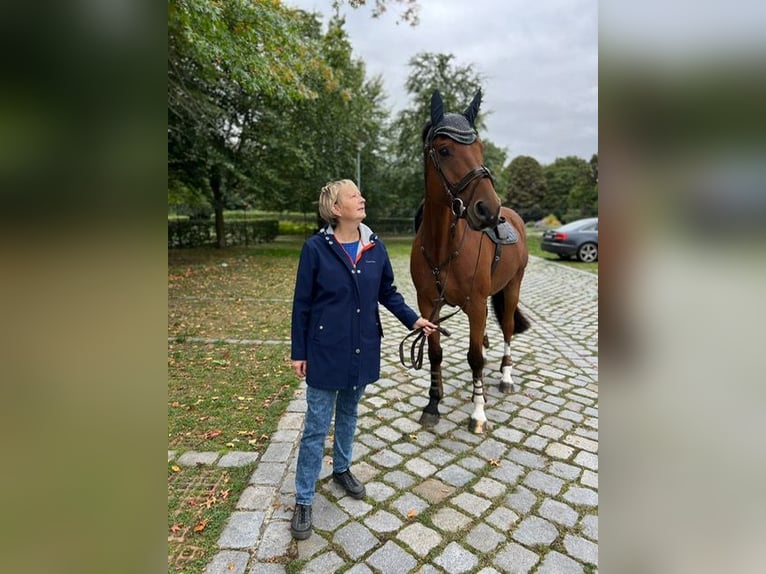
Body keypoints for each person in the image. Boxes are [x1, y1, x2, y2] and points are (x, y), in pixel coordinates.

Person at [289, 179, 437, 540]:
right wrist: (299, 352)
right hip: (325, 351)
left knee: (351, 413)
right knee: (315, 427)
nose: (362, 198)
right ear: (336, 208)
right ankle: (304, 498)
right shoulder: (315, 249)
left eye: (360, 193)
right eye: (354, 195)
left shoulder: (375, 246)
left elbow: (387, 291)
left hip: (362, 348)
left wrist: (412, 319)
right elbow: (302, 304)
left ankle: (341, 469)